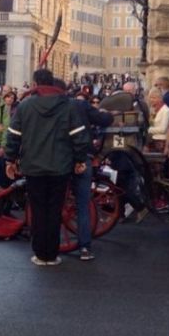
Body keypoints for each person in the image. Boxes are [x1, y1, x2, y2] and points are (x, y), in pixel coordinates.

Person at [5, 69, 90, 266]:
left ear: (35, 84)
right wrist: (79, 160)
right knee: (54, 210)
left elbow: (13, 136)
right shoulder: (68, 106)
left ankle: (40, 253)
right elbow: (79, 137)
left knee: (38, 209)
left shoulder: (25, 106)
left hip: (33, 166)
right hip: (60, 166)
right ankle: (51, 254)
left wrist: (10, 159)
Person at [65, 80, 113, 261]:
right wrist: (106, 114)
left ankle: (48, 245)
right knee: (83, 204)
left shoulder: (54, 108)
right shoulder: (80, 105)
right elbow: (104, 119)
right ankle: (85, 247)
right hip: (82, 156)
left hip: (61, 158)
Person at [147, 87, 169, 152]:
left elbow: (163, 130)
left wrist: (148, 129)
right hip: (151, 140)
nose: (151, 100)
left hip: (161, 142)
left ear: (160, 98)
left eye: (154, 98)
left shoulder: (166, 110)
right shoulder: (153, 109)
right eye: (150, 97)